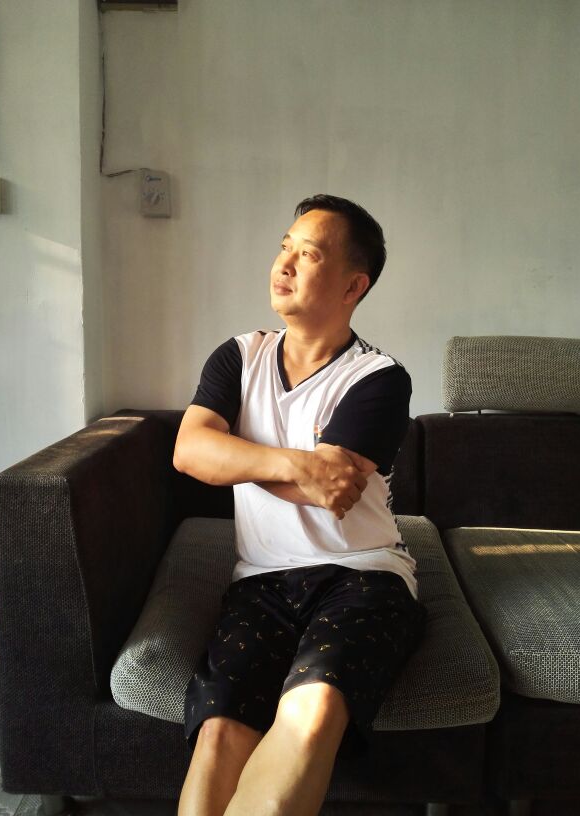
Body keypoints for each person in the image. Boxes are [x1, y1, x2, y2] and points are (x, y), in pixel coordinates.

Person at [173, 194, 427, 816]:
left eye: (307, 254)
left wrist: (237, 455)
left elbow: (331, 490)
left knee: (310, 716)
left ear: (353, 286)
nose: (283, 263)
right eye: (284, 246)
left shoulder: (378, 377)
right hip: (259, 581)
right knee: (219, 731)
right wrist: (297, 462)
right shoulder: (240, 355)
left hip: (362, 575)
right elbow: (189, 451)